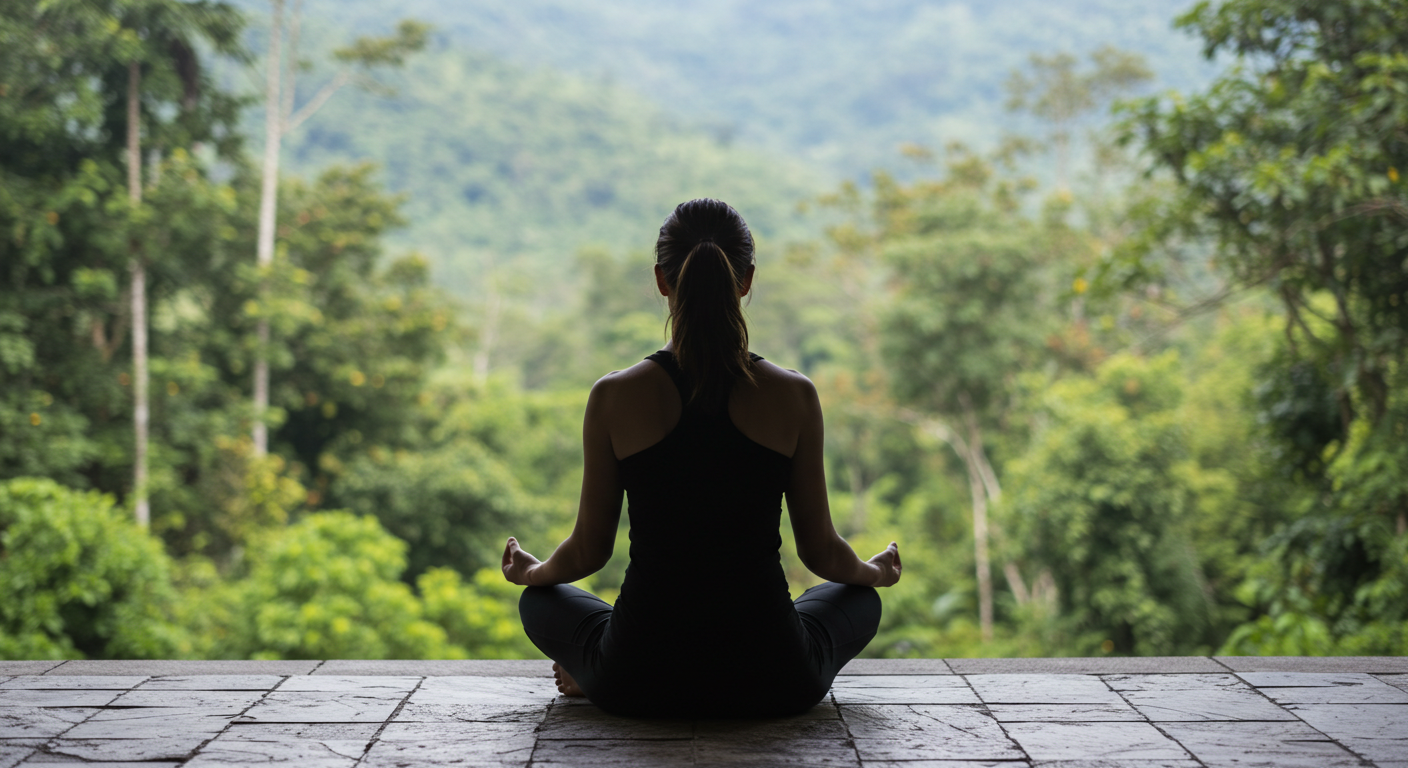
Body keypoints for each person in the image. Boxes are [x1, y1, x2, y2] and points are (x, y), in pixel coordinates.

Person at [502, 198, 901, 719]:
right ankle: (598, 668)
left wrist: (534, 573)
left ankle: (592, 671)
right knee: (860, 598)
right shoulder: (793, 395)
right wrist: (873, 572)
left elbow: (588, 553)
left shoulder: (614, 396)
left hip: (636, 678)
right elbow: (821, 552)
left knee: (539, 601)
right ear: (747, 280)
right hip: (775, 679)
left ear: (661, 280)